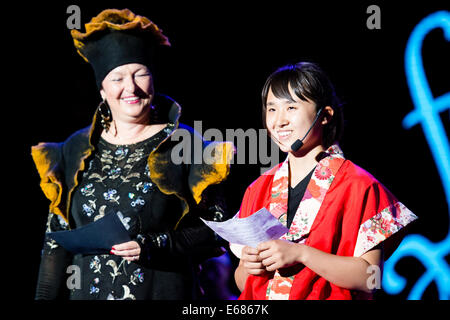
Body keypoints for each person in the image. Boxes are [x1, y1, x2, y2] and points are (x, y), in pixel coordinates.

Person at [32, 8, 234, 300]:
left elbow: (217, 229)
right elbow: (55, 245)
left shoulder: (185, 143)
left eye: (140, 74)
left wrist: (155, 244)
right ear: (102, 90)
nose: (131, 88)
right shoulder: (75, 148)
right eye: (117, 78)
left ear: (153, 79)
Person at [233, 62, 418, 300]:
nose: (279, 121)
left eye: (291, 107)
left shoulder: (358, 185)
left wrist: (301, 254)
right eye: (271, 109)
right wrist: (249, 267)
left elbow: (372, 277)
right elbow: (242, 283)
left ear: (324, 115)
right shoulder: (257, 189)